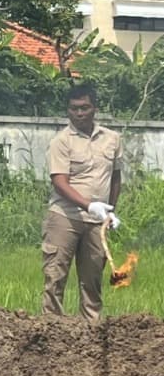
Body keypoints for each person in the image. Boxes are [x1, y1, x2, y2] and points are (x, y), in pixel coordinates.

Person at [41, 83, 122, 321]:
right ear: (68, 110)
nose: (79, 113)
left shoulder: (112, 139)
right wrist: (89, 205)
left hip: (97, 221)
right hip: (65, 217)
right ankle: (52, 329)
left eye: (84, 108)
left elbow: (115, 177)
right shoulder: (61, 141)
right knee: (55, 277)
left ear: (94, 108)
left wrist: (110, 211)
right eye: (74, 108)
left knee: (92, 280)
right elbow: (60, 182)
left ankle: (91, 333)